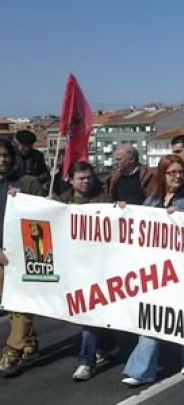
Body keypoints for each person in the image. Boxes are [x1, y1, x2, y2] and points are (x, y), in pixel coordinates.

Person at [121, 154, 184, 386]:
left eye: (181, 172)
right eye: (172, 173)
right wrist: (124, 212)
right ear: (163, 175)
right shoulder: (151, 201)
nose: (177, 176)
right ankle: (141, 371)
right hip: (158, 270)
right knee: (153, 317)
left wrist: (181, 220)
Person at [53, 161, 118, 381]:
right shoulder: (62, 202)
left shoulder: (105, 200)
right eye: (81, 178)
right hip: (74, 266)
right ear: (71, 180)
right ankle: (107, 344)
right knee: (95, 313)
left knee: (90, 311)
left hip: (101, 266)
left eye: (89, 177)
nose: (87, 181)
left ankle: (86, 361)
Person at [0, 139, 45, 375]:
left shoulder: (27, 183)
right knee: (9, 305)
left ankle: (13, 348)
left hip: (23, 256)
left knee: (20, 303)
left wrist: (28, 201)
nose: (2, 160)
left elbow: (46, 213)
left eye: (6, 155)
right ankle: (29, 342)